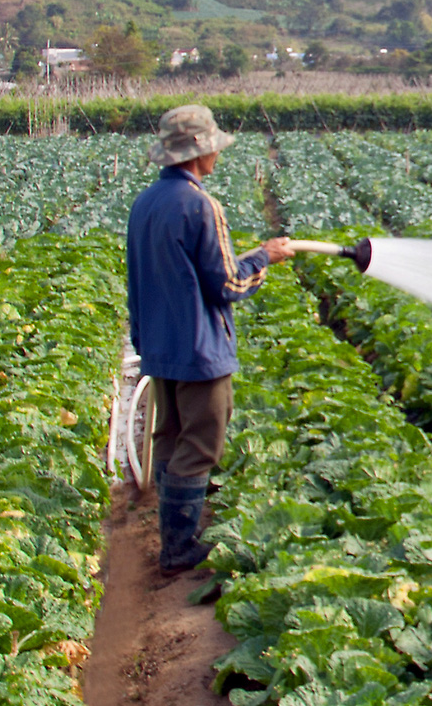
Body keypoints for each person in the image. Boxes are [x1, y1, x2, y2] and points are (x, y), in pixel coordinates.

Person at [125, 103, 303, 574]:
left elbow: (170, 273)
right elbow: (226, 285)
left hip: (160, 345)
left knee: (170, 436)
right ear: (199, 153)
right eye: (213, 150)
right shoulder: (200, 204)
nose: (217, 157)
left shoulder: (146, 203)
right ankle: (179, 548)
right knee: (201, 442)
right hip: (200, 349)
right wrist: (264, 259)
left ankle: (170, 536)